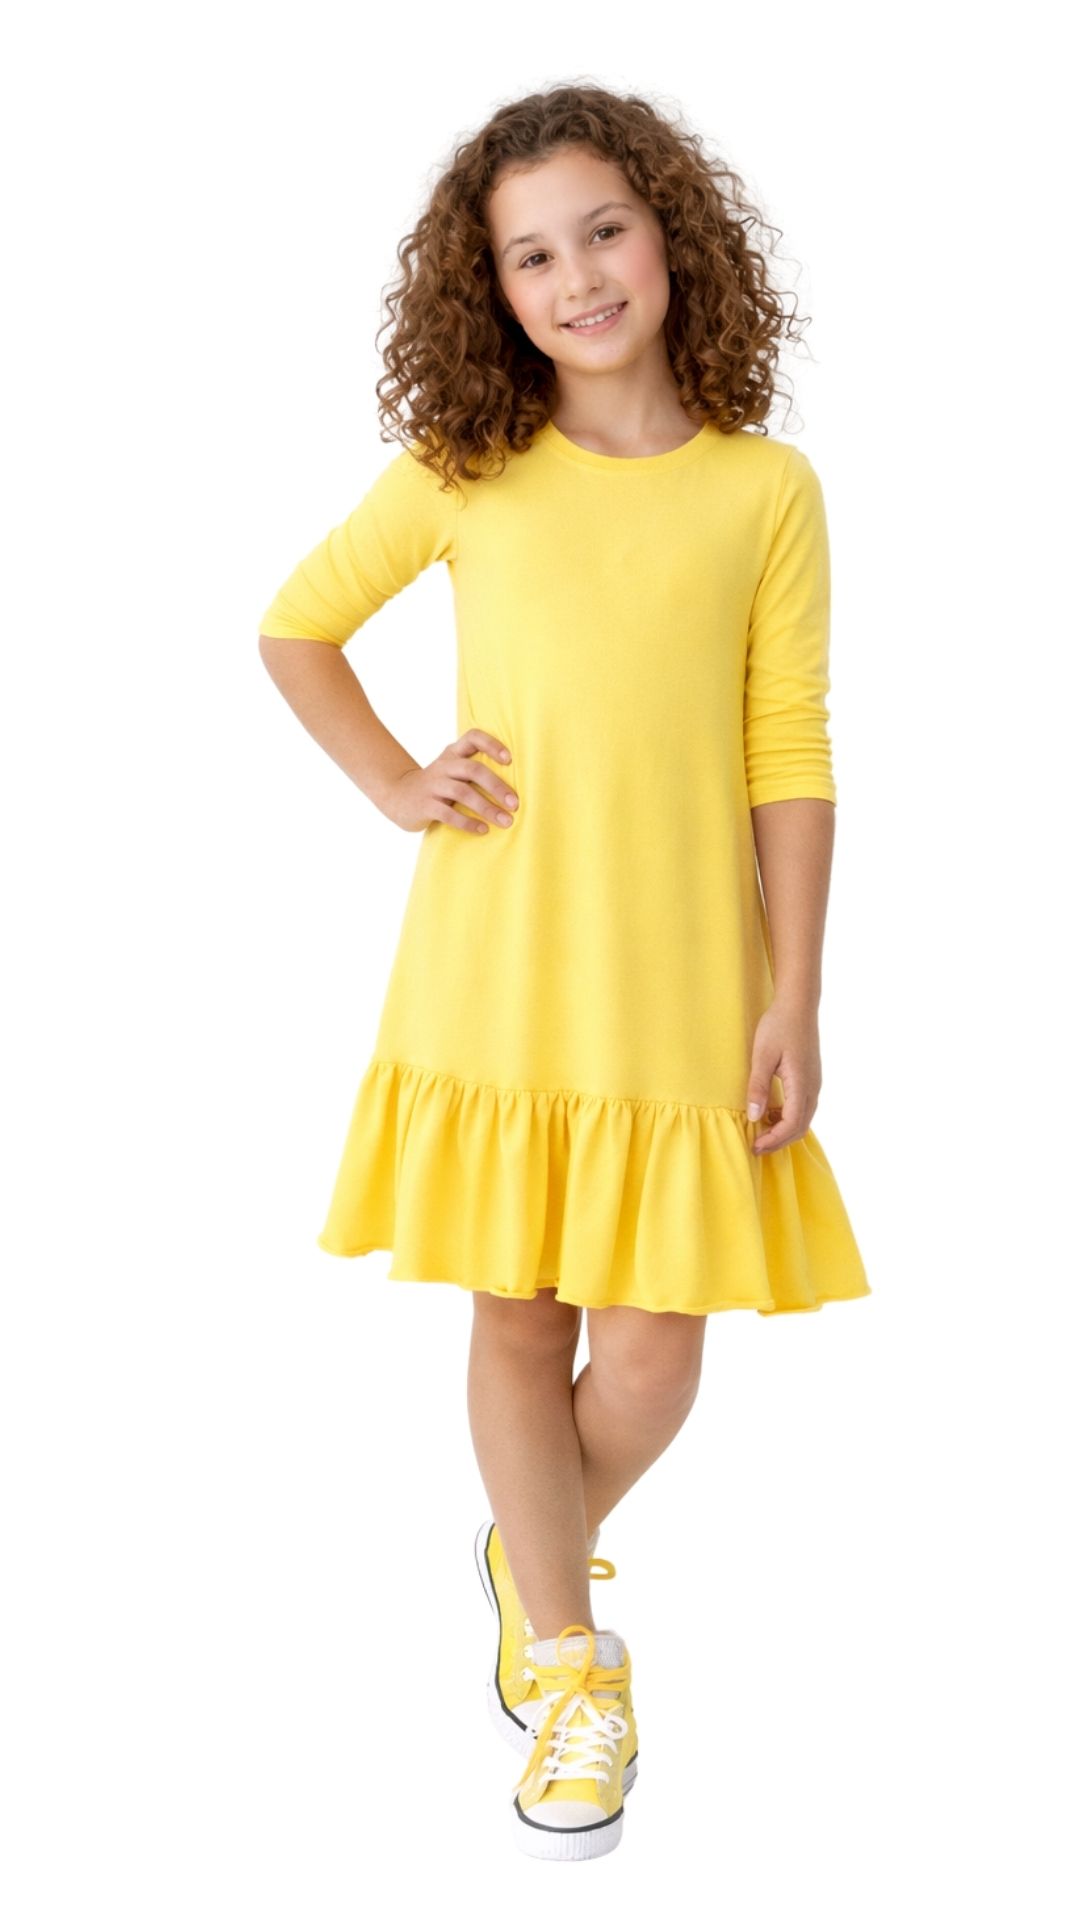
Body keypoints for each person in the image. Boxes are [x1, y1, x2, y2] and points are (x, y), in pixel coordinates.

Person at [258, 82, 871, 1860]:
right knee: (520, 1317)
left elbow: (788, 746)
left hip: (681, 973)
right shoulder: (469, 467)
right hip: (501, 958)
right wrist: (396, 780)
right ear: (494, 290)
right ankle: (575, 1666)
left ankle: (532, 1549)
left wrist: (797, 991)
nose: (578, 277)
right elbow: (298, 626)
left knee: (659, 1350)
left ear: (672, 235)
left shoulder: (765, 488)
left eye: (604, 230)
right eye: (531, 256)